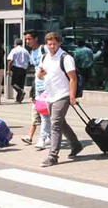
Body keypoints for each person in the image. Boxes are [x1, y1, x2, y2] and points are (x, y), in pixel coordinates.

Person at [37, 32, 83, 167]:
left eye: (54, 44)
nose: (51, 46)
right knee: (61, 123)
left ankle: (53, 156)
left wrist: (72, 96)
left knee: (55, 124)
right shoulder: (45, 57)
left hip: (63, 95)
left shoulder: (66, 58)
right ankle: (76, 145)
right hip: (50, 95)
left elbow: (73, 78)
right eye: (49, 44)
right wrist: (40, 74)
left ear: (59, 43)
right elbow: (40, 75)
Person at [22, 31, 51, 150]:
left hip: (48, 86)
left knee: (44, 114)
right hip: (38, 87)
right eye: (26, 39)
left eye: (29, 39)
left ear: (36, 39)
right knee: (44, 113)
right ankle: (48, 136)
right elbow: (35, 70)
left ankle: (42, 138)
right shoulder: (31, 52)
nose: (27, 41)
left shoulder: (44, 49)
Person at [7, 38, 30, 103]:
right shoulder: (26, 51)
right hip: (24, 69)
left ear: (15, 44)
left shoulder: (14, 50)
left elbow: (10, 60)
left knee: (13, 83)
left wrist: (8, 69)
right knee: (21, 84)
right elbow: (29, 61)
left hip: (16, 68)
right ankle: (19, 99)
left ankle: (20, 92)